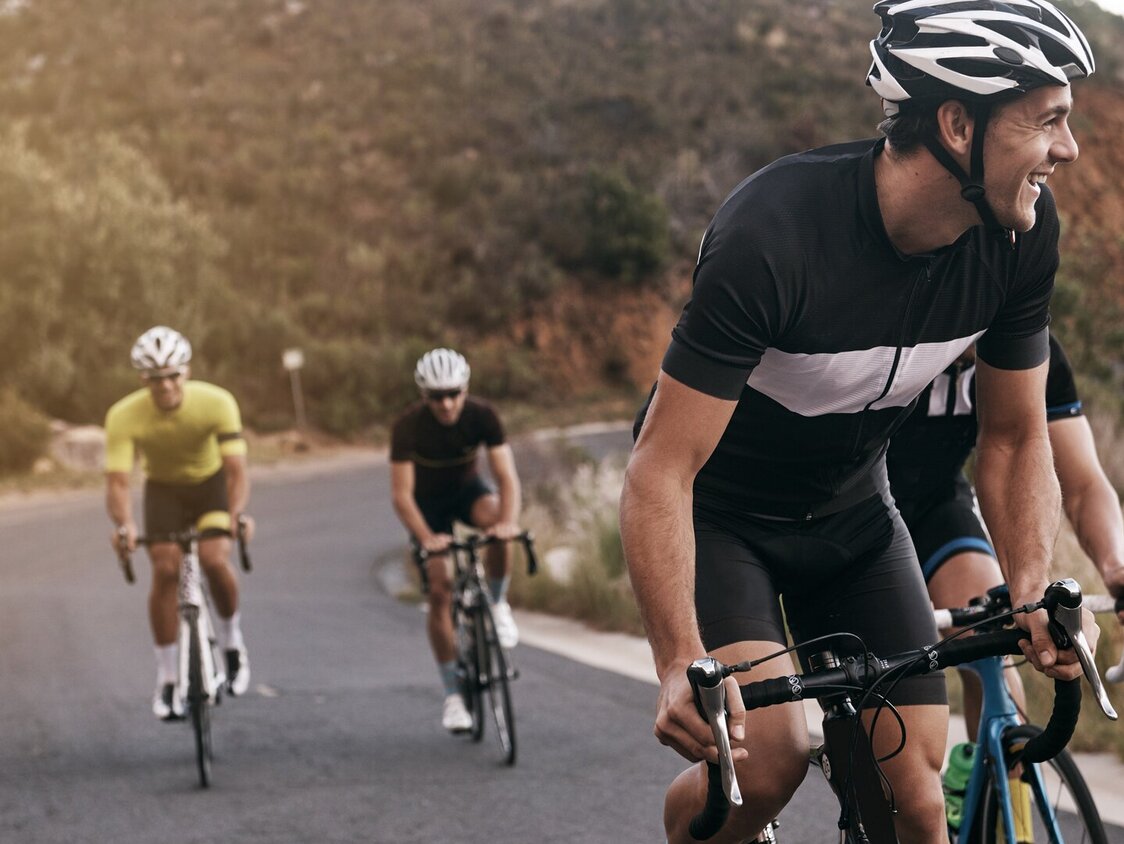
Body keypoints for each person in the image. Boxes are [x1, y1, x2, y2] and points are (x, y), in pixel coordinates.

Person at [619, 3, 1099, 842]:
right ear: (957, 123)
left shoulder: (1021, 235)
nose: (1068, 149)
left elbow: (1016, 437)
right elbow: (660, 468)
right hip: (725, 520)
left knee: (913, 808)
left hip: (854, 521)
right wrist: (676, 664)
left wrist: (1030, 587)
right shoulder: (774, 234)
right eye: (1047, 122)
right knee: (764, 762)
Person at [888, 333, 1124, 742]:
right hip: (850, 507)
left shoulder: (1025, 343)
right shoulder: (892, 327)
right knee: (894, 720)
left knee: (993, 641)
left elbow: (1084, 485)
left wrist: (1116, 567)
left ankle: (990, 779)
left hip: (936, 504)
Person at [105, 326, 254, 721]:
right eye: (156, 379)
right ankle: (169, 678)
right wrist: (126, 526)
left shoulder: (217, 402)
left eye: (173, 375)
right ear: (143, 379)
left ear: (186, 372)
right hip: (163, 491)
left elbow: (237, 472)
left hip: (210, 487)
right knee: (166, 569)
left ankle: (231, 642)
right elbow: (119, 482)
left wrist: (235, 517)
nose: (166, 386)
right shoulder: (123, 415)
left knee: (214, 558)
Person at [390, 348, 523, 734]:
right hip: (427, 507)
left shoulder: (483, 416)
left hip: (468, 493)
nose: (445, 403)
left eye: (452, 393)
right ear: (422, 395)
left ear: (465, 389)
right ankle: (452, 696)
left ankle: (497, 604)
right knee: (440, 587)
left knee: (498, 524)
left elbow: (507, 478)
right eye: (435, 396)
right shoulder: (407, 427)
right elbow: (401, 494)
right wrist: (427, 537)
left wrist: (508, 524)